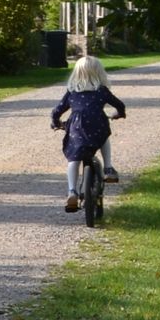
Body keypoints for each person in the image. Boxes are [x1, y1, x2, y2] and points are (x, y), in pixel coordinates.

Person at [50, 55, 127, 213]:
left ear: (76, 73)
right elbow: (119, 104)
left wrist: (56, 123)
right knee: (104, 137)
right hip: (98, 125)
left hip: (77, 128)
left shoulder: (72, 92)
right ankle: (108, 168)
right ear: (99, 73)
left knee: (74, 159)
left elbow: (57, 111)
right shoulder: (102, 91)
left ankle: (72, 191)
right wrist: (119, 113)